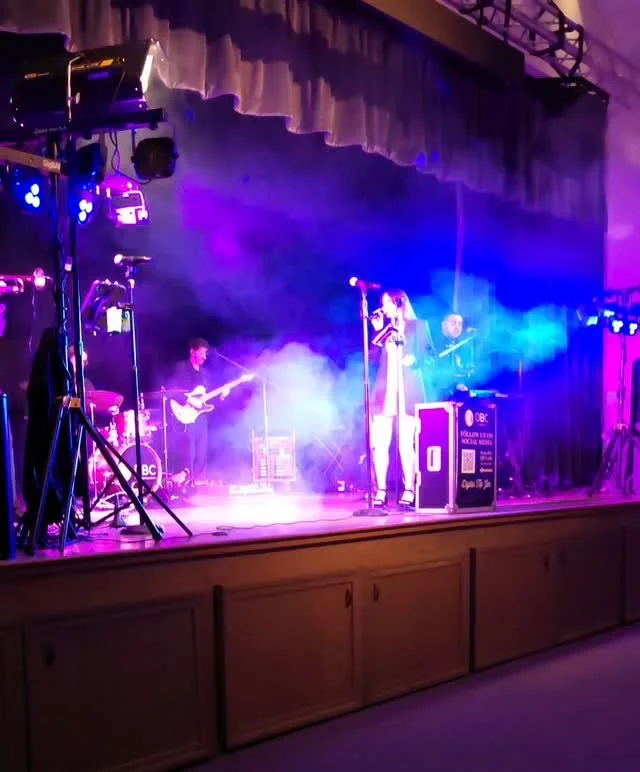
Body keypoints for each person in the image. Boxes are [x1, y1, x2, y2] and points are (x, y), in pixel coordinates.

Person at [370, 290, 431, 508]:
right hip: (385, 390)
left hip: (408, 391)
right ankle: (381, 490)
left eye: (387, 303)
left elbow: (428, 356)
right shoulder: (385, 330)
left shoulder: (418, 326)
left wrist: (414, 359)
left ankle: (409, 489)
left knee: (406, 444)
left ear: (399, 302)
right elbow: (373, 360)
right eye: (382, 303)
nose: (383, 308)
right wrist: (377, 331)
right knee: (380, 444)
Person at [170, 337, 226, 486]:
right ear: (192, 351)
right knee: (189, 451)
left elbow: (207, 400)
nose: (204, 357)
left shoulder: (205, 374)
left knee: (202, 453)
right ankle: (184, 484)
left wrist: (221, 396)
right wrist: (190, 400)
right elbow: (173, 391)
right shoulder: (181, 368)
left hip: (201, 417)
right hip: (185, 415)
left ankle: (198, 484)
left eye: (205, 353)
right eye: (201, 353)